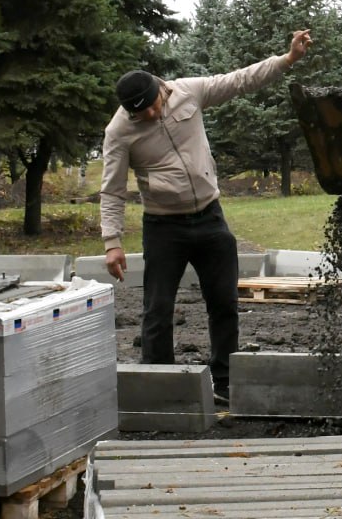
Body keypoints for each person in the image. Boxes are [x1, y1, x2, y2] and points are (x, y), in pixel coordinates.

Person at [99, 29, 312, 405]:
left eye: (151, 105)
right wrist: (112, 242)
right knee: (158, 309)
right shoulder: (119, 132)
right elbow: (113, 189)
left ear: (160, 90)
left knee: (224, 303)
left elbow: (239, 81)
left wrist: (287, 59)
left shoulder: (188, 91)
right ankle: (162, 384)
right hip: (164, 226)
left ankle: (225, 381)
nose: (149, 114)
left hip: (210, 218)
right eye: (139, 113)